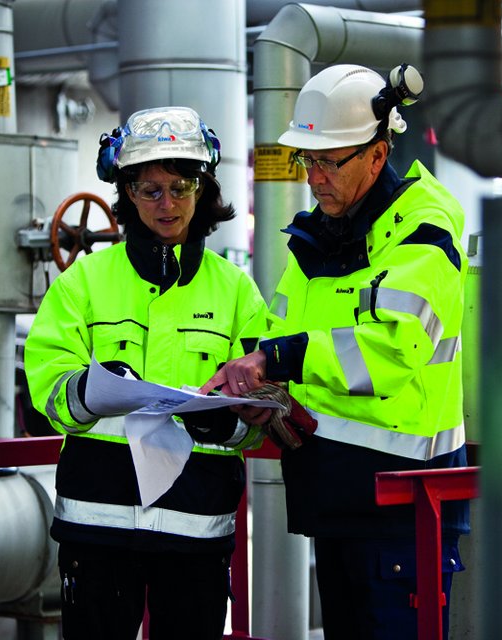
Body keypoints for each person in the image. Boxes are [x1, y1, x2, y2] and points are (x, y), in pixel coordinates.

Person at [201, 64, 471, 639]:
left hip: (404, 508)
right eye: (308, 161)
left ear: (377, 155)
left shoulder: (424, 229)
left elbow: (393, 348)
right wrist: (253, 393)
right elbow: (279, 338)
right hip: (337, 500)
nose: (314, 178)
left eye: (329, 161)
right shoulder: (320, 237)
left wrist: (275, 362)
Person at [23, 106, 267, 639]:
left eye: (181, 187)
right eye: (150, 190)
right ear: (127, 192)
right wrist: (90, 390)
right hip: (97, 529)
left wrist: (226, 423)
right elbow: (49, 389)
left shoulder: (237, 292)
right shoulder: (82, 283)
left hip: (197, 529)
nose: (167, 204)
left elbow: (264, 409)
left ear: (203, 189)